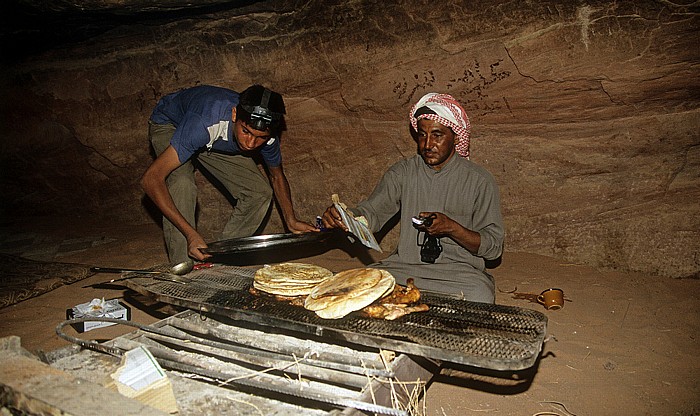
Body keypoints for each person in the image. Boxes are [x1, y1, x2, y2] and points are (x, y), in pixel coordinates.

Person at [321, 92, 504, 303]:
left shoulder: (479, 181)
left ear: (455, 137)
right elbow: (372, 212)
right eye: (422, 135)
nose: (427, 145)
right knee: (354, 284)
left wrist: (452, 228)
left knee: (480, 294)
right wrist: (345, 217)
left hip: (457, 274)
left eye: (437, 135)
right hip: (404, 267)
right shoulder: (403, 173)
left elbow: (493, 248)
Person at [142, 84, 316, 263]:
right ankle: (183, 268)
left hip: (212, 137)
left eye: (260, 138)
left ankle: (219, 258)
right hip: (171, 123)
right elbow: (151, 179)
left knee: (258, 192)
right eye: (246, 131)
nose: (250, 144)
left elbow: (276, 176)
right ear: (235, 115)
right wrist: (190, 235)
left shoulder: (268, 137)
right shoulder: (204, 121)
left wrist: (291, 220)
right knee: (182, 184)